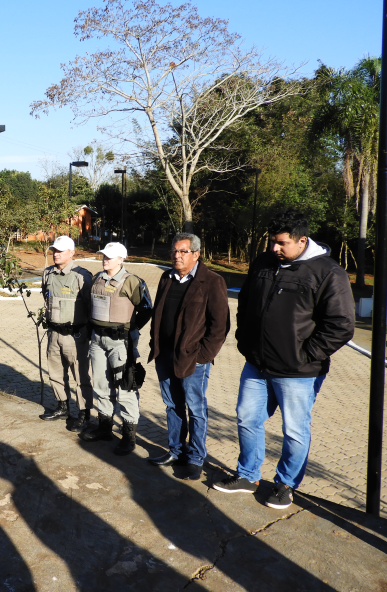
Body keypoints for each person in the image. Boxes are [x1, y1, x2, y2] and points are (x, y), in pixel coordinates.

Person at [213, 209, 355, 510]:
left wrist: (305, 355)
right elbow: (246, 302)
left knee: (294, 430)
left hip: (299, 372)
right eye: (273, 242)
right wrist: (245, 341)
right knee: (247, 418)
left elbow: (341, 324)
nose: (275, 249)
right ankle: (248, 475)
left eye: (282, 244)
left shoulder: (328, 272)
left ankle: (285, 485)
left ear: (302, 240)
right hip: (257, 365)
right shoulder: (264, 262)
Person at [147, 233, 230, 480]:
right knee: (173, 405)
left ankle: (195, 458)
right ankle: (176, 450)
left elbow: (220, 326)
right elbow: (159, 314)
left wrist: (203, 356)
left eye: (183, 251)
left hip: (193, 358)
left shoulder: (212, 281)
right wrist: (155, 343)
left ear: (196, 254)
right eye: (174, 251)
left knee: (195, 408)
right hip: (165, 354)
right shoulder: (166, 278)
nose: (177, 256)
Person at [79, 242, 152, 455]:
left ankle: (129, 436)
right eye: (104, 256)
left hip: (121, 343)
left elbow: (146, 309)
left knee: (126, 387)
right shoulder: (96, 278)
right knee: (101, 385)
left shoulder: (132, 281)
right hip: (97, 341)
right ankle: (104, 427)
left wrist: (131, 330)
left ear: (122, 259)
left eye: (110, 257)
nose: (105, 259)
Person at [38, 235, 94, 431]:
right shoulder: (48, 274)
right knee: (55, 372)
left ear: (72, 253)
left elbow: (91, 306)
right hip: (54, 332)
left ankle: (84, 413)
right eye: (54, 250)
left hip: (75, 335)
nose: (56, 254)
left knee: (80, 376)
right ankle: (62, 406)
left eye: (61, 251)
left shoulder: (82, 276)